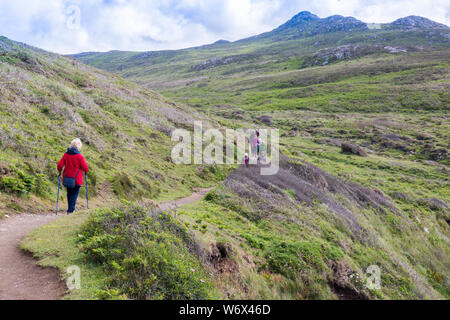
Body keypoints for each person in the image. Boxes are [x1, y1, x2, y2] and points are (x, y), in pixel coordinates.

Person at [57, 138, 88, 214]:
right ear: (79, 146)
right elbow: (85, 168)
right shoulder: (80, 156)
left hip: (67, 178)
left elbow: (59, 165)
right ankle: (71, 210)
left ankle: (70, 209)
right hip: (77, 179)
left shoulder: (66, 155)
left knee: (69, 193)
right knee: (74, 194)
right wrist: (86, 171)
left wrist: (60, 171)